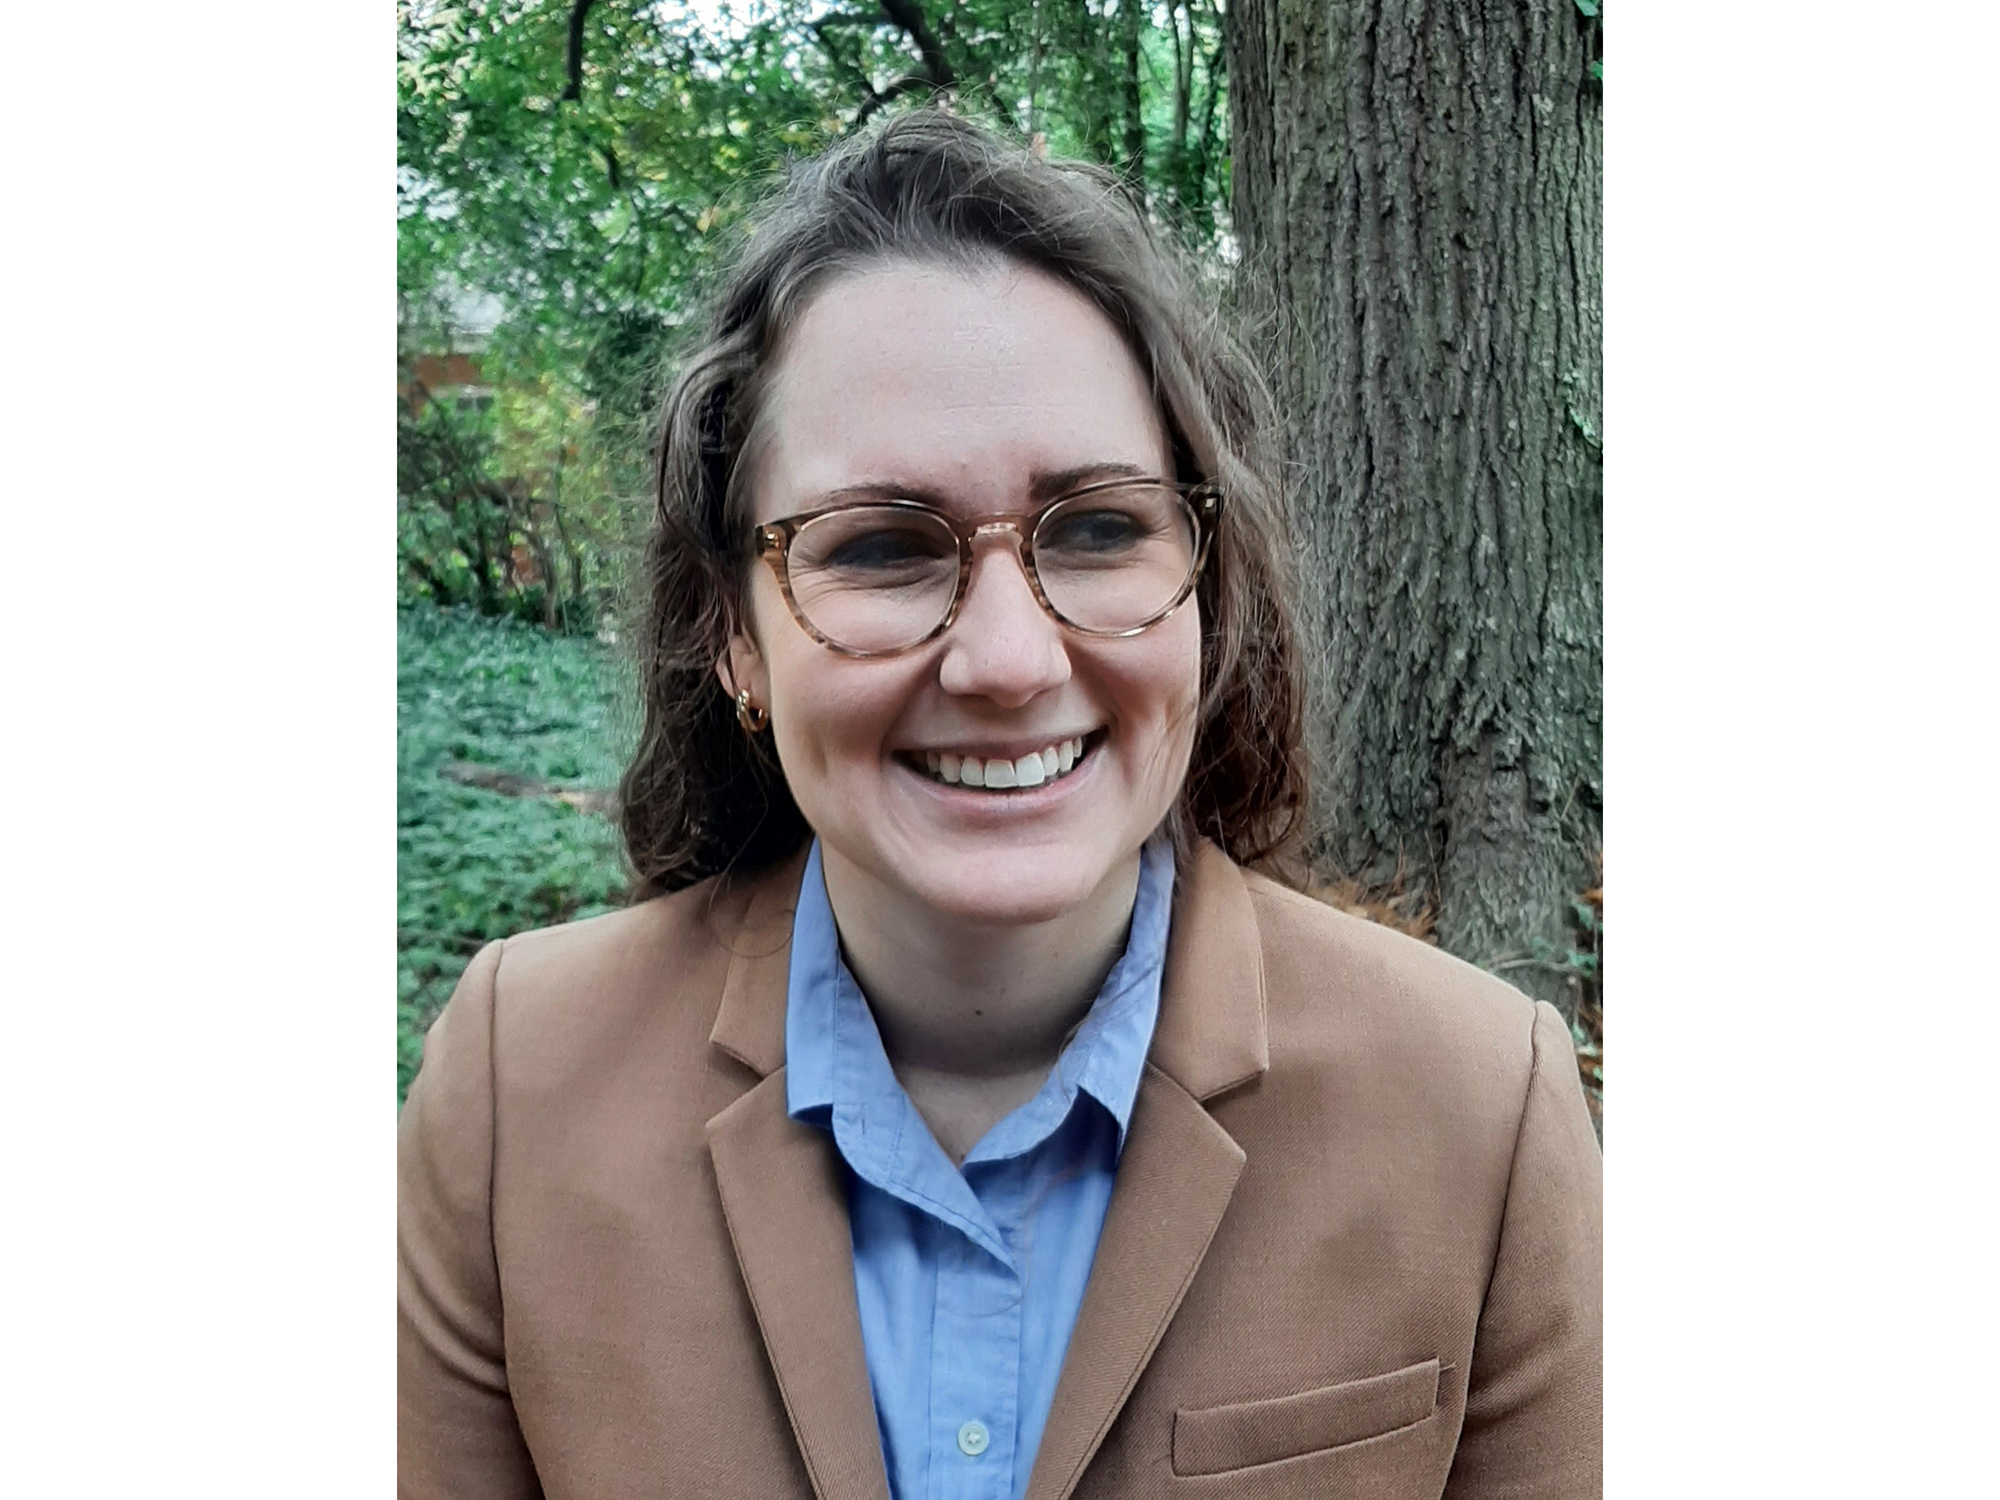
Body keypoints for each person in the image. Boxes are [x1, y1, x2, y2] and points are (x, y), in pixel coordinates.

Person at [398, 108, 1601, 1500]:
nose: (1010, 660)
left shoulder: (1477, 1112)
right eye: (883, 547)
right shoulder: (513, 1090)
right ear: (734, 631)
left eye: (1098, 529)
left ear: (1210, 586)